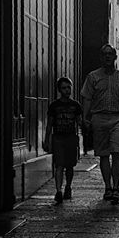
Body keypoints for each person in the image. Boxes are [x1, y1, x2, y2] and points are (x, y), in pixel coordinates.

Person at [79, 43, 119, 203]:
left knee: (117, 153)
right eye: (104, 54)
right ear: (101, 57)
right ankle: (107, 187)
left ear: (114, 57)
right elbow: (87, 98)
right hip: (99, 118)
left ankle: (116, 188)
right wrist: (85, 117)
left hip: (118, 118)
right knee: (104, 155)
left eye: (110, 54)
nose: (107, 57)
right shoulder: (93, 77)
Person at [43, 76, 83, 204]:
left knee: (70, 166)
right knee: (59, 165)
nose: (67, 90)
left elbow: (79, 122)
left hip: (71, 137)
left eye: (68, 87)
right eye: (64, 88)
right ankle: (59, 191)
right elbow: (49, 124)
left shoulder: (76, 105)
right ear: (60, 90)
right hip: (58, 138)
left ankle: (68, 186)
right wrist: (46, 140)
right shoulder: (54, 106)